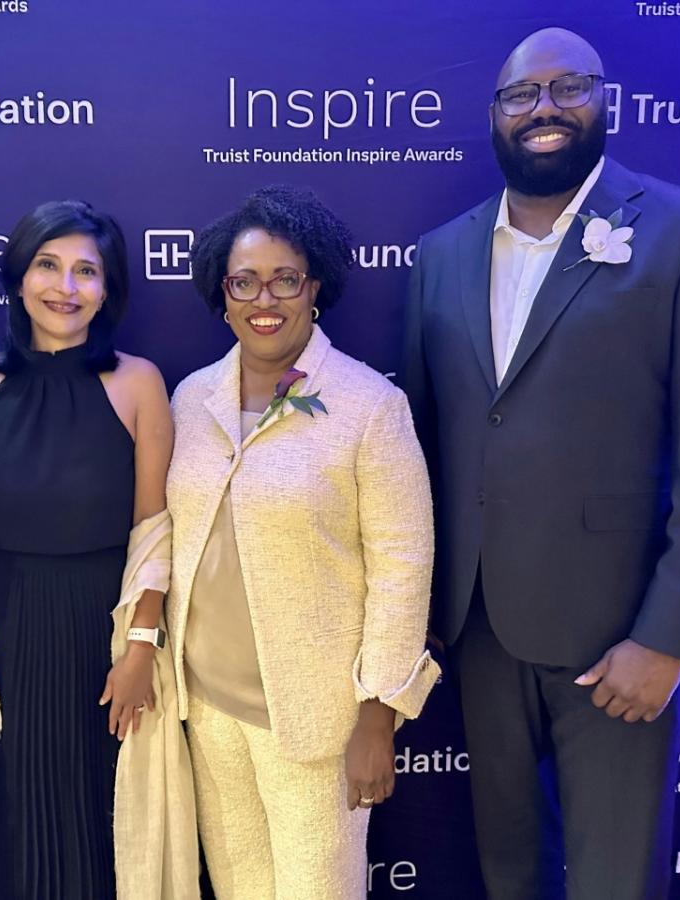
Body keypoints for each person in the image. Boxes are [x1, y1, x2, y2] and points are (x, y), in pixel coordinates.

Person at [402, 28, 680, 900]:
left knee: (615, 879)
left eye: (567, 87)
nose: (544, 109)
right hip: (478, 631)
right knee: (507, 873)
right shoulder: (439, 255)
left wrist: (666, 638)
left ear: (607, 100)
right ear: (494, 118)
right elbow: (418, 444)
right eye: (521, 96)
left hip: (620, 638)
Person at [166, 185, 440, 900]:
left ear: (314, 287)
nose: (266, 298)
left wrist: (380, 715)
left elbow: (403, 569)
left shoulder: (368, 407)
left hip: (316, 722)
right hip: (209, 715)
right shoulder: (190, 399)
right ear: (221, 295)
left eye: (286, 279)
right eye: (245, 281)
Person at [0, 200, 185, 899]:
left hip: (101, 634)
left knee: (98, 821)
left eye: (87, 270)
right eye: (49, 266)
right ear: (19, 279)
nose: (67, 286)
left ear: (109, 288)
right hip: (1, 637)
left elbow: (155, 527)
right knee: (10, 818)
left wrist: (140, 648)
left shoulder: (138, 382)